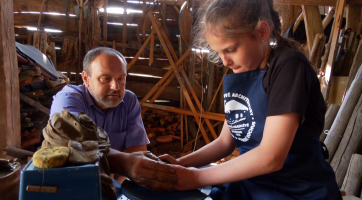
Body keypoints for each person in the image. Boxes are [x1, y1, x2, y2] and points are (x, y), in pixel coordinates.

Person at [159, 0, 342, 199]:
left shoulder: (288, 67)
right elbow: (223, 143)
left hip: (297, 190)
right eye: (219, 53)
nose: (225, 61)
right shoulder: (245, 71)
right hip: (252, 186)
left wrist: (197, 177)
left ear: (262, 32)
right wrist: (180, 164)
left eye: (230, 49)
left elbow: (271, 157)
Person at [50, 47, 176, 190]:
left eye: (121, 79)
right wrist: (121, 168)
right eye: (105, 79)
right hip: (73, 186)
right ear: (86, 78)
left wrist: (117, 187)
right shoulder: (68, 99)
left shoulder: (129, 101)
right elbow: (77, 145)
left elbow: (137, 151)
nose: (115, 87)